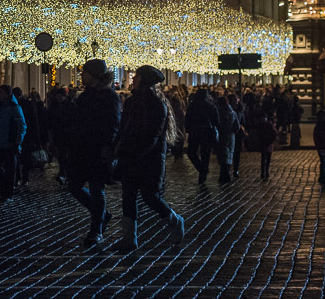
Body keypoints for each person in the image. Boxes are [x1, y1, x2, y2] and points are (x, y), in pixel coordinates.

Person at [113, 65, 183, 252]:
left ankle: (175, 221)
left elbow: (152, 135)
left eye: (136, 77)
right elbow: (124, 129)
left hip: (149, 159)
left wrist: (137, 152)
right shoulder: (130, 102)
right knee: (128, 197)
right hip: (129, 157)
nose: (133, 79)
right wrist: (117, 149)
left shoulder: (157, 105)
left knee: (150, 197)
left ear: (145, 81)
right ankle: (129, 239)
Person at [64, 59, 120, 248]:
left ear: (94, 75)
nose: (82, 75)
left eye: (85, 72)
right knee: (74, 186)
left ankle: (96, 230)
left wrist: (107, 146)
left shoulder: (109, 96)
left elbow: (113, 124)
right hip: (80, 148)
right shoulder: (84, 96)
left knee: (97, 189)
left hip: (97, 149)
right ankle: (102, 215)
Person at [0, 85, 26, 200]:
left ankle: (7, 193)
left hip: (10, 143)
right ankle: (5, 185)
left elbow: (22, 126)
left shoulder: (15, 107)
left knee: (10, 170)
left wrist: (17, 141)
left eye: (1, 92)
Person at [183, 88, 219, 184]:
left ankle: (201, 170)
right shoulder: (211, 106)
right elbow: (216, 120)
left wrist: (188, 129)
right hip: (207, 131)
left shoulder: (192, 105)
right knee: (205, 154)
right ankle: (203, 172)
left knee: (191, 152)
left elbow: (187, 118)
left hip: (195, 131)